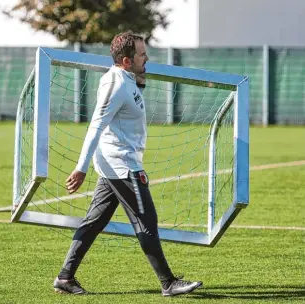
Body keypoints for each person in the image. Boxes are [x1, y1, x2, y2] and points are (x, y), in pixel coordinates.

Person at [53, 31, 203, 297]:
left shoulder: (127, 79)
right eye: (142, 55)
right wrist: (81, 167)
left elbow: (127, 109)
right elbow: (96, 125)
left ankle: (65, 277)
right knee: (146, 221)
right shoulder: (115, 84)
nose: (147, 58)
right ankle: (168, 282)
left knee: (94, 221)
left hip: (117, 164)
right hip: (122, 165)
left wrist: (141, 83)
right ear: (125, 60)